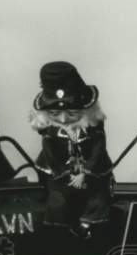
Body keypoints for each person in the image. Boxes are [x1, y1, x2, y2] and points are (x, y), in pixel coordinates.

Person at [29, 61, 114, 235]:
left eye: (72, 113)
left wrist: (86, 172)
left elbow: (99, 150)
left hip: (91, 172)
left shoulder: (93, 127)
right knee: (58, 199)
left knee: (98, 196)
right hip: (59, 173)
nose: (62, 119)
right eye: (54, 113)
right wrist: (66, 174)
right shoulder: (49, 131)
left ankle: (87, 224)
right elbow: (50, 154)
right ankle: (61, 229)